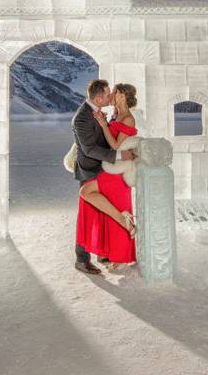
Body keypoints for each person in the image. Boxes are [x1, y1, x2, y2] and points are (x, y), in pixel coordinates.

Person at [71, 79, 137, 275]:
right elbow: (90, 148)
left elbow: (115, 138)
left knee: (102, 213)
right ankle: (82, 259)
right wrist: (120, 155)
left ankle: (105, 251)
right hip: (90, 169)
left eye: (113, 93)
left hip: (106, 169)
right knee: (87, 213)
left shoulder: (108, 113)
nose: (110, 97)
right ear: (99, 98)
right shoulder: (82, 118)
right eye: (108, 94)